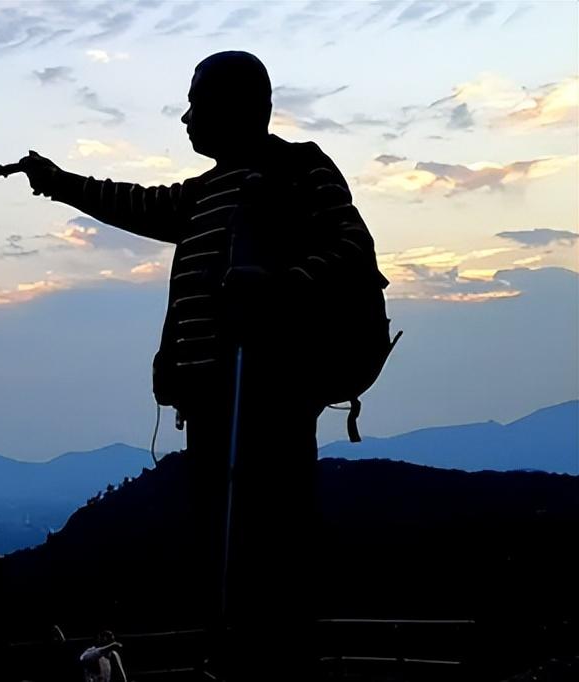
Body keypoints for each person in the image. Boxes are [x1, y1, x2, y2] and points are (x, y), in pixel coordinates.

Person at [19, 51, 387, 679]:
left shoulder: (298, 167)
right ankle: (235, 656)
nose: (186, 116)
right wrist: (56, 180)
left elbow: (355, 247)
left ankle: (275, 664)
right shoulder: (203, 193)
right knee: (220, 545)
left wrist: (280, 285)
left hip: (268, 399)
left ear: (240, 106)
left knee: (268, 544)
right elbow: (134, 203)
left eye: (198, 101)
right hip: (211, 405)